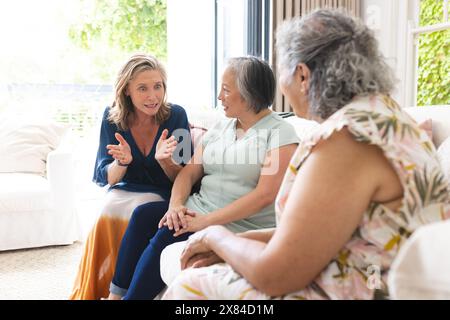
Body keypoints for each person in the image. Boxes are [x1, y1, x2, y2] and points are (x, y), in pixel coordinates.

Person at [162, 9, 450, 300]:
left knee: (190, 284)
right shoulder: (389, 119)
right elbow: (325, 235)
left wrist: (214, 235)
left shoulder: (345, 140)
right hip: (371, 274)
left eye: (282, 70)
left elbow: (275, 276)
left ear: (302, 74)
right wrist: (235, 241)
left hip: (361, 290)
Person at [105, 56, 299, 300]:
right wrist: (175, 206)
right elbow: (189, 172)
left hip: (239, 223)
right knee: (144, 215)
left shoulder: (280, 132)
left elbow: (265, 195)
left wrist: (204, 222)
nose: (219, 96)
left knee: (169, 229)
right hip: (199, 209)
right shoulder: (223, 127)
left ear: (249, 93)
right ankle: (114, 296)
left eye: (226, 90)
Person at [70, 53, 192, 300]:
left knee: (139, 208)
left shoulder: (177, 115)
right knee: (108, 208)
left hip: (162, 191)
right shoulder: (111, 118)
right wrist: (121, 163)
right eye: (143, 88)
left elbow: (187, 177)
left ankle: (123, 291)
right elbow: (106, 176)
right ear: (127, 90)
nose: (153, 96)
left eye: (158, 86)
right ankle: (100, 287)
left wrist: (165, 161)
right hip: (124, 187)